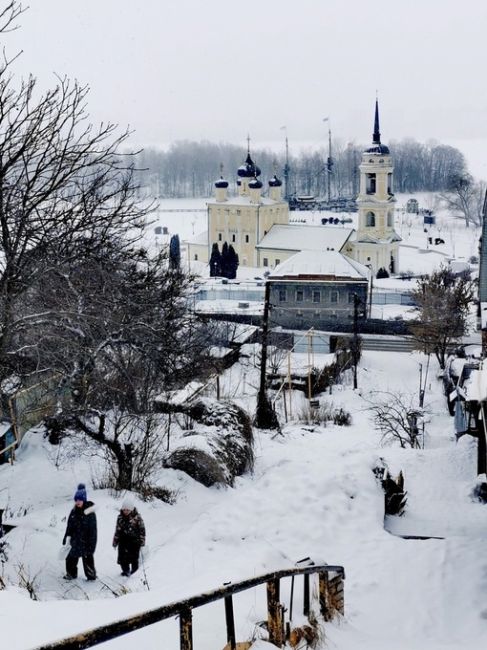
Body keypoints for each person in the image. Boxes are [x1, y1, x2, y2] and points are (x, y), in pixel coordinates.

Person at [62, 483, 97, 580]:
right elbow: (69, 526)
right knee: (70, 558)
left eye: (80, 500)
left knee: (88, 559)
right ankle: (71, 574)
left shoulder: (89, 512)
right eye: (76, 500)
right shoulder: (73, 512)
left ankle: (91, 576)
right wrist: (66, 538)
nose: (78, 502)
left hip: (86, 542)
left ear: (84, 500)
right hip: (75, 540)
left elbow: (93, 531)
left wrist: (92, 545)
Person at [112, 497, 145, 576]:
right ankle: (126, 570)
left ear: (131, 509)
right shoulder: (120, 518)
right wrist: (115, 541)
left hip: (134, 541)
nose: (126, 511)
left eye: (128, 510)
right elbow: (118, 530)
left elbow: (142, 530)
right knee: (123, 558)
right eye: (124, 510)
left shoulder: (137, 518)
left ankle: (135, 572)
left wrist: (142, 541)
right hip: (123, 541)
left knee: (134, 558)